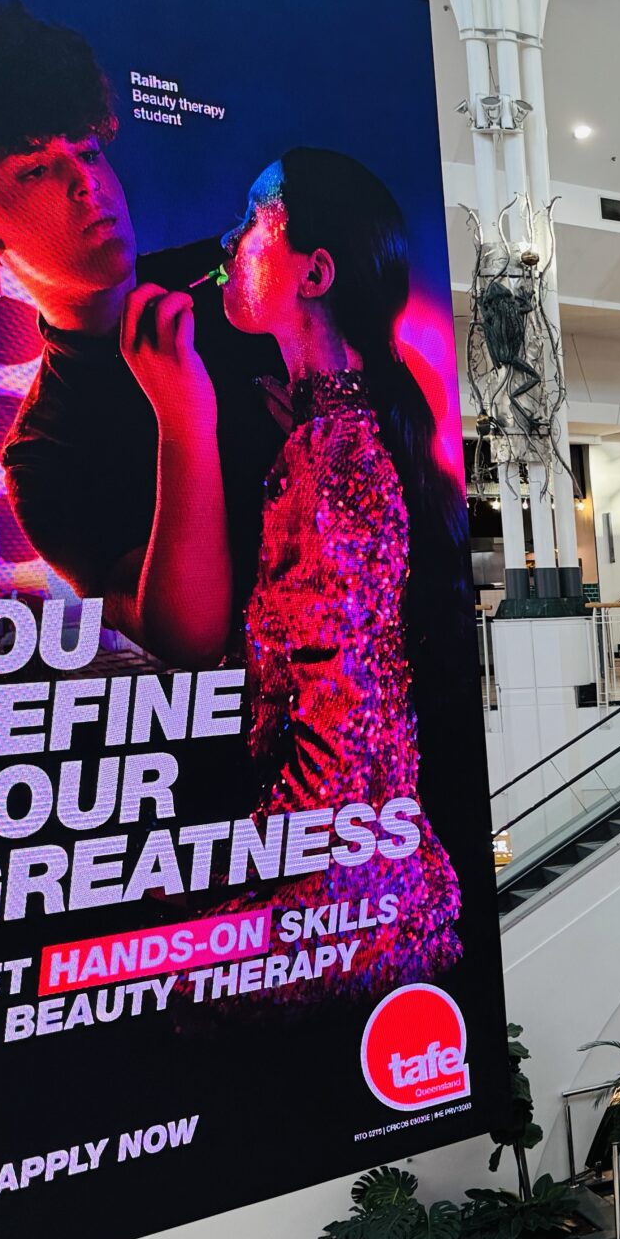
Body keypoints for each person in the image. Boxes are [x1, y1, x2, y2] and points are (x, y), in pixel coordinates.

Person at [0, 0, 285, 656]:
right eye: (37, 169)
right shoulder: (45, 456)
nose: (87, 185)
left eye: (90, 152)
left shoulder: (235, 272)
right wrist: (184, 419)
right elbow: (187, 636)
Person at [179, 148, 464, 1000]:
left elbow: (338, 752)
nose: (229, 240)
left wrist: (247, 893)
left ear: (315, 272)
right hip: (365, 883)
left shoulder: (334, 463)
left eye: (254, 219)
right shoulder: (336, 440)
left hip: (344, 913)